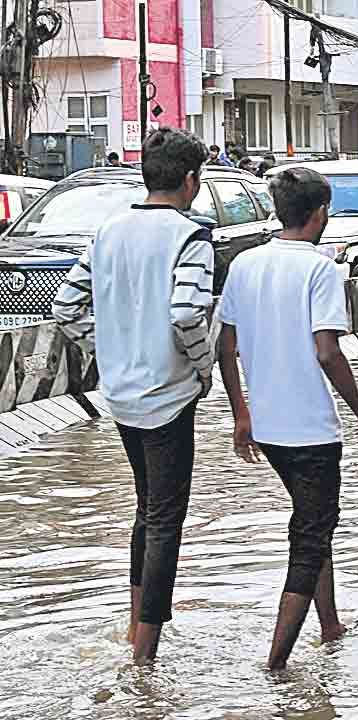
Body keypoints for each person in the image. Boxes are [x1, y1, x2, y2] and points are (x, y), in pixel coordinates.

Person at [52, 127, 215, 664]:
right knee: (165, 517)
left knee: (147, 511)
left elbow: (66, 309)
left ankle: (135, 624)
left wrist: (113, 348)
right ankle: (145, 651)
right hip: (169, 395)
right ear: (191, 181)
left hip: (120, 395)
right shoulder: (190, 236)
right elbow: (190, 314)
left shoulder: (108, 232)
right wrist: (203, 367)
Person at [217, 167, 358, 670]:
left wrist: (240, 412)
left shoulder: (245, 264)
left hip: (267, 426)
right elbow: (328, 352)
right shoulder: (319, 269)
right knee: (310, 537)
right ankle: (277, 664)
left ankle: (330, 625)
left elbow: (226, 347)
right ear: (319, 215)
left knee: (312, 524)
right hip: (311, 429)